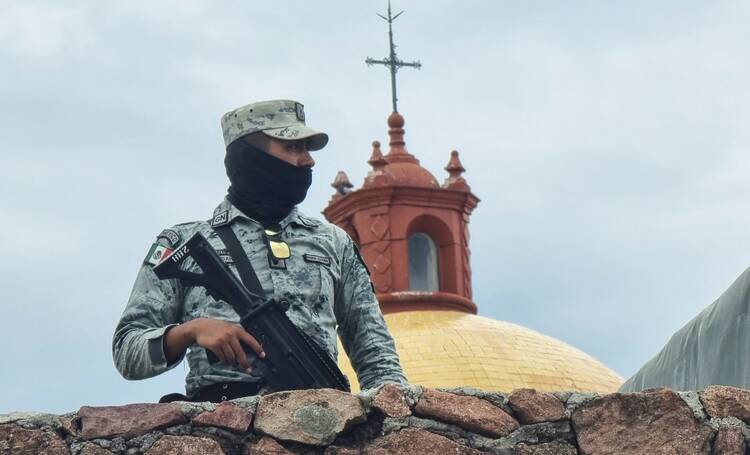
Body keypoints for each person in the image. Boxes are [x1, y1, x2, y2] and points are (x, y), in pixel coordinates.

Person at [113, 99, 406, 402]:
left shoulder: (334, 242)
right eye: (292, 147)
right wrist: (191, 331)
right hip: (224, 425)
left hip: (324, 419)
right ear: (250, 157)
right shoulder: (183, 243)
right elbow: (127, 350)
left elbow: (376, 355)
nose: (308, 161)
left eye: (307, 148)